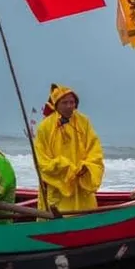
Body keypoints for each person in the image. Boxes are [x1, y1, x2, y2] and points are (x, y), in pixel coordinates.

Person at [34, 84, 105, 212]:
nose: (69, 106)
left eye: (72, 102)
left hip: (81, 184)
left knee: (85, 218)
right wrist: (66, 168)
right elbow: (42, 161)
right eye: (64, 102)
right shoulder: (45, 127)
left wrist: (87, 166)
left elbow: (95, 149)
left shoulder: (84, 122)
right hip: (58, 187)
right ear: (56, 104)